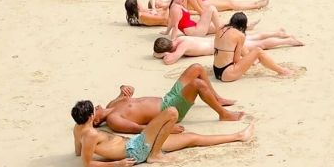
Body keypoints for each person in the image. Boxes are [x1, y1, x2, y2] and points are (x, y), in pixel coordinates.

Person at [71, 100, 253, 167]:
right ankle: (155, 155)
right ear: (90, 117)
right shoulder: (91, 135)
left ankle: (238, 136)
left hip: (136, 144)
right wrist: (116, 164)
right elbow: (87, 164)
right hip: (136, 149)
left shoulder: (78, 129)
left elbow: (79, 153)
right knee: (172, 112)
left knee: (191, 138)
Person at [95, 66, 244, 125]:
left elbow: (128, 92)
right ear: (95, 120)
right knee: (198, 84)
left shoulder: (111, 105)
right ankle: (223, 114)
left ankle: (216, 98)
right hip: (170, 109)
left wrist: (125, 87)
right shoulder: (113, 120)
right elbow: (137, 128)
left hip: (168, 98)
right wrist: (166, 128)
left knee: (197, 68)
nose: (95, 106)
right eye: (93, 110)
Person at [212, 12, 298, 82]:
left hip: (217, 72)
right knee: (258, 51)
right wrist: (247, 62)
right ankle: (283, 71)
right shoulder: (240, 35)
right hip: (228, 74)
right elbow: (236, 60)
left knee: (240, 46)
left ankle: (254, 60)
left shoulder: (220, 28)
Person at [125, 0, 269, 27]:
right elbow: (165, 19)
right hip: (181, 16)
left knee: (227, 4)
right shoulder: (143, 16)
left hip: (184, 12)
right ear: (136, 7)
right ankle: (256, 5)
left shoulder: (144, 13)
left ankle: (255, 3)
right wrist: (171, 4)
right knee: (226, 6)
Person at [153, 29, 301, 65]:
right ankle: (278, 33)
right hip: (218, 40)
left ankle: (287, 41)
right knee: (254, 37)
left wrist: (160, 55)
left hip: (221, 44)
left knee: (259, 44)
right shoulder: (179, 39)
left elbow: (169, 60)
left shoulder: (182, 46)